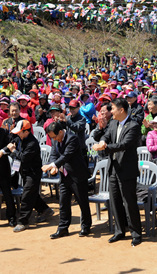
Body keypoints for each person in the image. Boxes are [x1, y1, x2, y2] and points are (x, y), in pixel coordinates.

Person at [92, 98, 143, 246]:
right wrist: (102, 140)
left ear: (121, 110)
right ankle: (120, 231)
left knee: (129, 202)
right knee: (115, 201)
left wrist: (105, 147)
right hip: (113, 167)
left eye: (113, 108)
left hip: (127, 169)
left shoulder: (133, 125)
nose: (110, 111)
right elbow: (106, 136)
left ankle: (136, 234)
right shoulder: (113, 123)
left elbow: (124, 144)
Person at [42, 121, 92, 238]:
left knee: (82, 201)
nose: (54, 139)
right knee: (63, 202)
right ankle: (63, 228)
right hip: (64, 175)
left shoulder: (72, 138)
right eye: (52, 137)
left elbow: (66, 156)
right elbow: (54, 155)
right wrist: (53, 166)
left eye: (55, 136)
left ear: (60, 132)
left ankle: (85, 226)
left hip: (77, 175)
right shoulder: (55, 139)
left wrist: (52, 166)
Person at [8, 120, 53, 232]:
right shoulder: (20, 139)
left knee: (27, 196)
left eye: (20, 132)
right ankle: (45, 210)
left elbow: (23, 158)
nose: (17, 134)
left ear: (26, 131)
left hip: (33, 173)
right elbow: (11, 144)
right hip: (24, 172)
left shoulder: (32, 143)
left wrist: (13, 151)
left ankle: (23, 221)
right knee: (32, 193)